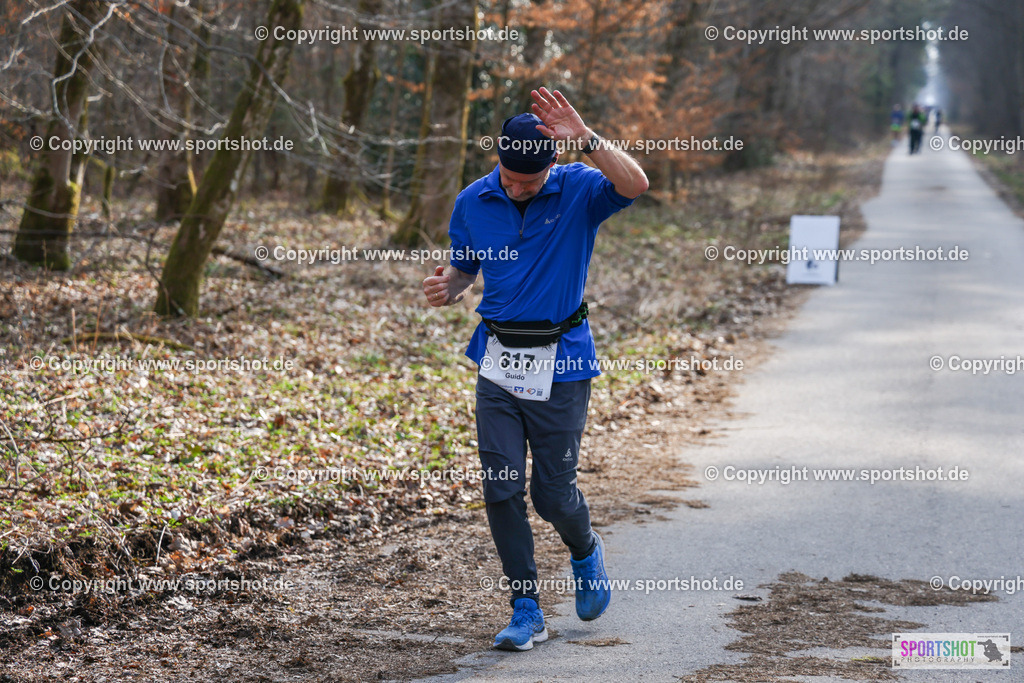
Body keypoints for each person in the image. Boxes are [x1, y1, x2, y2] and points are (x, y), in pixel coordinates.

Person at [421, 87, 648, 651]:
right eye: (509, 177)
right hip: (498, 360)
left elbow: (636, 184)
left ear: (554, 164)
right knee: (501, 487)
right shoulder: (473, 199)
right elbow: (464, 266)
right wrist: (449, 285)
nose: (517, 188)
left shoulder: (580, 189)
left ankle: (585, 549)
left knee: (552, 494)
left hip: (563, 362)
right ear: (496, 159)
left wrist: (589, 140)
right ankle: (526, 609)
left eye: (530, 182)